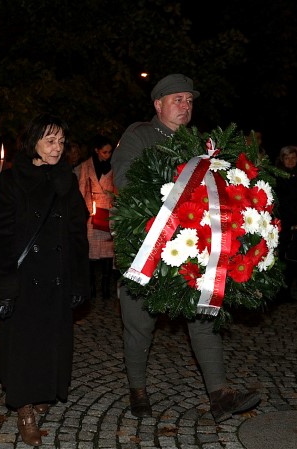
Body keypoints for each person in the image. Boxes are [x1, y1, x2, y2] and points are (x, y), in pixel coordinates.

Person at [110, 74, 261, 422]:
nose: (185, 106)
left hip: (193, 247)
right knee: (139, 323)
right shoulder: (139, 136)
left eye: (189, 100)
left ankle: (220, 393)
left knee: (203, 314)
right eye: (177, 99)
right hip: (147, 246)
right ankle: (138, 390)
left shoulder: (200, 144)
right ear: (158, 104)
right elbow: (124, 181)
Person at [0, 113, 89, 446]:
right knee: (25, 344)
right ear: (33, 142)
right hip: (25, 276)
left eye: (61, 141)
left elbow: (77, 232)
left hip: (58, 274)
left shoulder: (66, 179)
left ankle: (45, 390)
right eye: (50, 140)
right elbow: (1, 232)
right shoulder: (13, 178)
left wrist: (79, 280)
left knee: (51, 340)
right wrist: (5, 278)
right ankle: (24, 408)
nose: (57, 147)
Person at [78, 134, 117, 299]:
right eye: (104, 152)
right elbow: (81, 189)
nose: (107, 155)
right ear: (97, 150)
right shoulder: (86, 167)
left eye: (109, 152)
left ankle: (106, 289)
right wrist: (85, 210)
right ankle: (92, 287)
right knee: (92, 254)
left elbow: (117, 190)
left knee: (108, 254)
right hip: (92, 213)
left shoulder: (114, 166)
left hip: (108, 213)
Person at [273, 146, 297, 302]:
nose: (290, 161)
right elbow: (278, 201)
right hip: (283, 223)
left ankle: (287, 290)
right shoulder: (276, 177)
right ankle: (277, 291)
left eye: (293, 158)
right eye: (287, 158)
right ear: (282, 159)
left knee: (293, 258)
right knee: (280, 258)